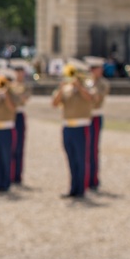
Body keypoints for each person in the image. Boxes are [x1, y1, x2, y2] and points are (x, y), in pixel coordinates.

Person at [51, 60, 93, 199]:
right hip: (67, 126)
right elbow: (54, 104)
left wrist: (80, 87)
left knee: (81, 159)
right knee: (71, 159)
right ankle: (73, 188)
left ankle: (81, 189)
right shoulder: (66, 88)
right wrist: (61, 89)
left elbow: (91, 99)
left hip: (82, 127)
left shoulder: (88, 86)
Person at [84, 56, 110, 191]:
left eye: (96, 68)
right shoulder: (86, 82)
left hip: (95, 116)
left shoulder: (102, 83)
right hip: (84, 117)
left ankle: (93, 179)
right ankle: (84, 177)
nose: (93, 71)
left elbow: (96, 98)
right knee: (84, 149)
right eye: (91, 68)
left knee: (93, 149)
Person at [10, 62, 32, 185]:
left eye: (20, 71)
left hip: (19, 114)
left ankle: (17, 175)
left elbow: (24, 99)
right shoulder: (9, 84)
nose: (18, 74)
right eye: (17, 71)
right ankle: (9, 173)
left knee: (19, 146)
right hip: (9, 116)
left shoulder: (26, 86)